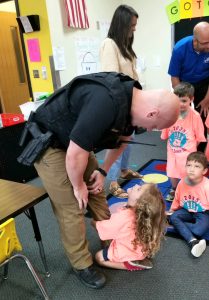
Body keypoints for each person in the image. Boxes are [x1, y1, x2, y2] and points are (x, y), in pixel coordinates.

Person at [18, 71, 180, 289]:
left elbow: (125, 138)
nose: (150, 130)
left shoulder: (133, 100)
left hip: (76, 142)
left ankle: (110, 236)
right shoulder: (104, 102)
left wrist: (103, 171)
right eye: (154, 126)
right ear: (152, 114)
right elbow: (75, 154)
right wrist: (77, 187)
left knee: (96, 190)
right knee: (72, 206)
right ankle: (81, 263)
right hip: (50, 144)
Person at [100, 5, 142, 199]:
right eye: (132, 25)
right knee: (117, 143)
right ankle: (113, 182)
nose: (134, 29)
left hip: (131, 102)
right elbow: (111, 78)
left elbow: (133, 75)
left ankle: (124, 170)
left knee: (129, 140)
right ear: (122, 23)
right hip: (119, 105)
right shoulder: (110, 44)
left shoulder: (126, 46)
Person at [92, 183, 166, 270]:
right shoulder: (145, 217)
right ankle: (138, 258)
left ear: (139, 203)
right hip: (140, 250)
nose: (136, 185)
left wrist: (94, 222)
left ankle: (130, 265)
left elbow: (104, 229)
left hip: (127, 252)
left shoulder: (124, 217)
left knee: (98, 257)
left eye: (139, 189)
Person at [161, 82, 206, 201]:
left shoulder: (195, 116)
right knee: (172, 171)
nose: (180, 104)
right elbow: (165, 132)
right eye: (177, 100)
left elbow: (199, 136)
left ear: (191, 99)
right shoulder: (170, 114)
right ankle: (174, 188)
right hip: (172, 152)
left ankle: (187, 190)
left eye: (184, 101)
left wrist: (191, 149)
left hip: (188, 153)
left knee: (188, 172)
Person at [168, 21, 209, 150]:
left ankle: (200, 153)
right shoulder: (180, 48)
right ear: (195, 41)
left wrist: (207, 100)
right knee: (184, 116)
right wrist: (182, 100)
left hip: (204, 83)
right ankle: (182, 148)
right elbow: (174, 76)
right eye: (205, 43)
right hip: (184, 84)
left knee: (202, 118)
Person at [168, 151, 209, 258]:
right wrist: (173, 210)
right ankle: (193, 241)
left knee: (199, 230)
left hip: (202, 213)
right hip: (186, 210)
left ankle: (185, 232)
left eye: (197, 166)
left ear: (204, 171)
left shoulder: (206, 185)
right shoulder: (182, 182)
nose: (191, 169)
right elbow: (177, 198)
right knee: (174, 216)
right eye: (189, 165)